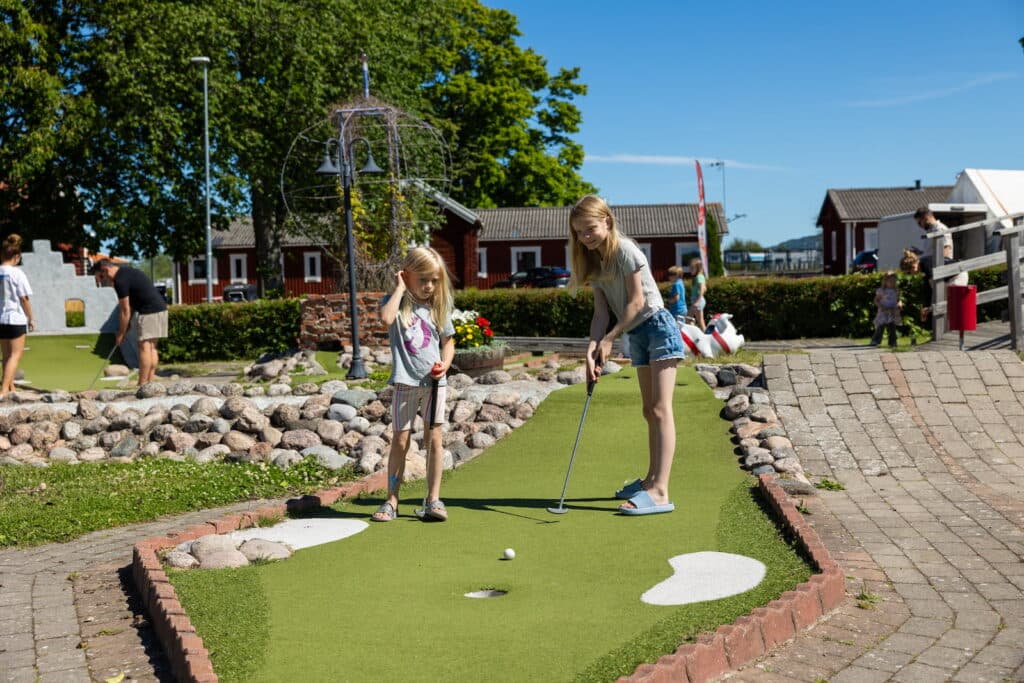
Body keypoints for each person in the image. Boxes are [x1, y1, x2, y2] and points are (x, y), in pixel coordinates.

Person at [569, 195, 684, 515]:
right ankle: (650, 481)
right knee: (649, 410)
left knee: (660, 409)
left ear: (606, 221)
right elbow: (600, 313)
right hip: (637, 334)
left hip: (658, 327)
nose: (585, 237)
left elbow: (636, 302)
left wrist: (609, 339)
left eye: (590, 228)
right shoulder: (594, 261)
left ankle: (661, 491)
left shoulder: (625, 250)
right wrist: (592, 347)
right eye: (579, 232)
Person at [372, 246, 455, 523]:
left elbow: (448, 343)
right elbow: (385, 318)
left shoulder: (438, 307)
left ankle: (433, 499)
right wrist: (400, 287)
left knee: (435, 439)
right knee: (400, 440)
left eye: (434, 280)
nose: (429, 286)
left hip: (435, 384)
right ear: (407, 275)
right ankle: (391, 500)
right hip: (404, 382)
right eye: (423, 279)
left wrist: (445, 363)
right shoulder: (395, 303)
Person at [94, 259, 168, 386]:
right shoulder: (127, 272)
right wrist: (127, 326)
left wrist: (121, 333)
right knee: (151, 347)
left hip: (149, 312)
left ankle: (142, 383)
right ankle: (150, 383)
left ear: (106, 270)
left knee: (144, 347)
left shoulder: (119, 280)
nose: (104, 280)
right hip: (161, 309)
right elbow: (132, 305)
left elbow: (125, 310)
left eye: (102, 277)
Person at [0, 235, 35, 396]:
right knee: (15, 355)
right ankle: (3, 390)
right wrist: (31, 318)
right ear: (16, 256)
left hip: (1, 319)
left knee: (6, 356)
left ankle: (10, 387)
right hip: (15, 319)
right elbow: (24, 298)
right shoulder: (17, 273)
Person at [869, 271, 902, 348]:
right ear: (885, 281)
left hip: (892, 311)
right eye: (890, 281)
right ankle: (875, 340)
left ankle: (892, 342)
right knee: (881, 326)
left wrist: (900, 303)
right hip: (883, 311)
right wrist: (881, 306)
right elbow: (876, 300)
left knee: (892, 327)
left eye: (894, 281)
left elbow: (898, 299)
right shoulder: (882, 291)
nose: (892, 283)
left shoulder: (896, 290)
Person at [690, 258, 707, 331]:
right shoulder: (698, 277)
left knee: (700, 321)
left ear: (698, 268)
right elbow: (705, 288)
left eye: (692, 268)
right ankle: (693, 333)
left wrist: (698, 301)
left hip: (698, 301)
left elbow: (702, 289)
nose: (690, 270)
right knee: (689, 319)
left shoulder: (699, 277)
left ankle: (706, 335)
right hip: (696, 301)